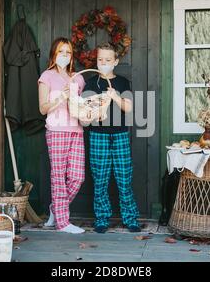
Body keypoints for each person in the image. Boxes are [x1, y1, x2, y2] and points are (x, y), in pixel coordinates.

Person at [83, 42, 141, 234]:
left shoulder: (123, 82)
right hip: (97, 135)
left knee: (124, 178)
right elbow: (85, 113)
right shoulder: (91, 83)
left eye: (108, 60)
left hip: (120, 135)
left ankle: (130, 218)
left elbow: (129, 108)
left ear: (115, 61)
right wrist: (94, 112)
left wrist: (115, 97)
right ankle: (101, 218)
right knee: (100, 178)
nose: (104, 63)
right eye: (100, 60)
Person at [38, 37, 86, 234]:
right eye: (61, 52)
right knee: (58, 177)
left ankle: (55, 209)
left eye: (68, 52)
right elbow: (42, 108)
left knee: (77, 177)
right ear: (54, 54)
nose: (64, 56)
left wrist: (92, 111)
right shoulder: (47, 76)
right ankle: (63, 223)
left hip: (76, 130)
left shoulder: (78, 78)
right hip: (56, 131)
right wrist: (62, 97)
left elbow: (79, 107)